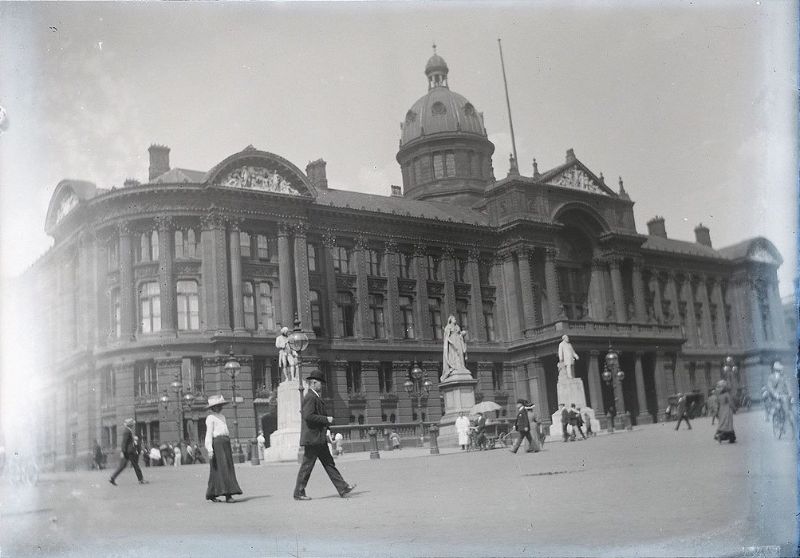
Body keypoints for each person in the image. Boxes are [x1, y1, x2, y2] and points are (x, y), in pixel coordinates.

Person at [293, 370, 356, 500]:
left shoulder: (313, 396)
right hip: (313, 438)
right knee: (307, 466)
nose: (322, 385)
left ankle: (343, 488)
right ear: (314, 383)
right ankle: (298, 493)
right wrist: (326, 419)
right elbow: (308, 416)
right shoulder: (310, 397)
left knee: (329, 463)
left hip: (317, 438)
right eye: (320, 383)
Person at [204, 395, 243, 503]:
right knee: (222, 468)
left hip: (225, 443)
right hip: (217, 444)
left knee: (225, 467)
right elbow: (209, 434)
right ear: (212, 408)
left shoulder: (222, 417)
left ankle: (212, 493)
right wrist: (210, 449)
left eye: (220, 405)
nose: (219, 407)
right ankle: (228, 494)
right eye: (217, 406)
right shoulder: (210, 418)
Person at [109, 418, 146, 486]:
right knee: (135, 465)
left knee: (122, 466)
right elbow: (124, 442)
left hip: (127, 451)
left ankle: (112, 478)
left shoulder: (127, 430)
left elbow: (125, 442)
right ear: (131, 425)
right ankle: (141, 480)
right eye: (132, 424)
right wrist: (123, 452)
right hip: (129, 452)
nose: (133, 425)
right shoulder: (127, 431)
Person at [766, 361, 795, 433]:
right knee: (778, 407)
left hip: (783, 396)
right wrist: (775, 394)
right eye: (778, 370)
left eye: (780, 370)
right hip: (774, 397)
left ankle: (786, 423)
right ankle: (779, 423)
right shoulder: (771, 377)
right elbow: (770, 387)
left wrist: (790, 394)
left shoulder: (784, 377)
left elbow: (788, 385)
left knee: (787, 409)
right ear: (775, 370)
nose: (779, 371)